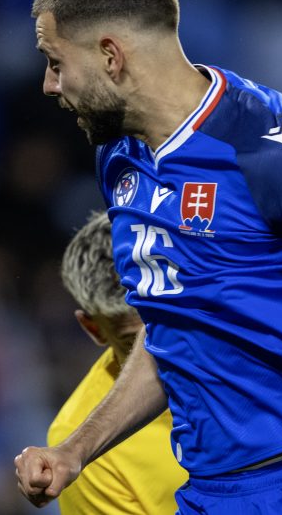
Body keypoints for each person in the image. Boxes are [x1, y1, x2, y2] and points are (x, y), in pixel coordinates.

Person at [15, 0, 282, 513]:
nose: (49, 85)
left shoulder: (270, 157)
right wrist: (76, 452)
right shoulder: (118, 156)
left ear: (109, 56)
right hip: (213, 488)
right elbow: (173, 320)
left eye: (54, 60)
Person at [51, 210, 186, 513]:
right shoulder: (79, 448)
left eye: (166, 325)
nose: (154, 349)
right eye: (132, 340)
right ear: (93, 328)